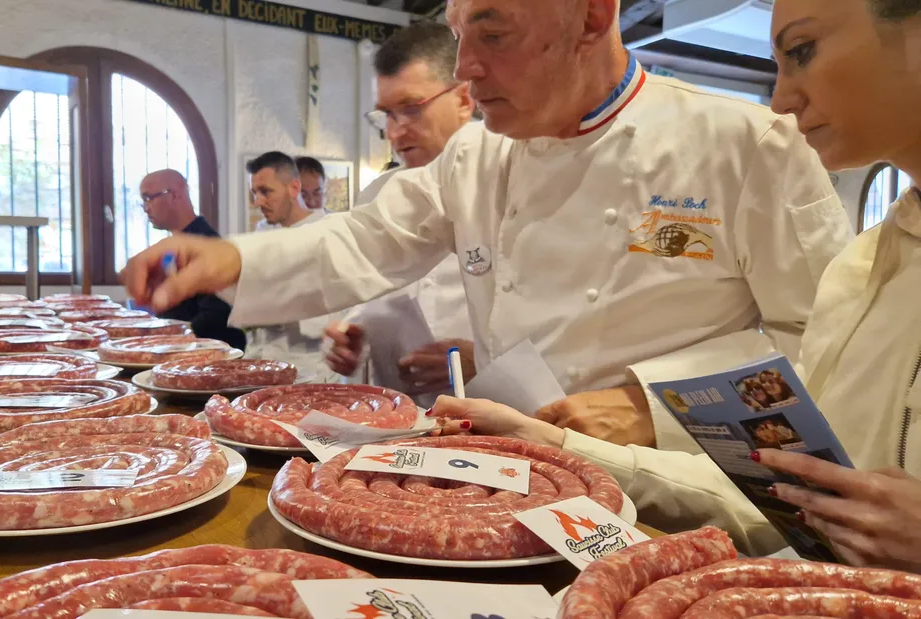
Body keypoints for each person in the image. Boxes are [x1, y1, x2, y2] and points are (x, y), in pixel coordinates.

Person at [121, 0, 854, 451]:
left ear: (592, 16)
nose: (465, 69)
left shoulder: (746, 145)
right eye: (458, 31)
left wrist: (658, 403)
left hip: (673, 483)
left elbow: (827, 341)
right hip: (511, 463)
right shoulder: (478, 153)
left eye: (493, 34)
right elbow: (368, 238)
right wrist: (228, 260)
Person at [431, 0, 921, 570]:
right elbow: (800, 500)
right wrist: (558, 449)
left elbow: (791, 358)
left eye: (803, 52)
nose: (783, 101)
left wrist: (651, 404)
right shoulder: (866, 269)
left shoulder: (742, 139)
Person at [323, 21, 477, 407]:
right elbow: (375, 288)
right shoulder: (376, 193)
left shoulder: (511, 180)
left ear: (464, 98)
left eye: (410, 109)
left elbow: (560, 323)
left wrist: (484, 358)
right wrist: (352, 331)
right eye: (387, 115)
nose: (395, 133)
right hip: (396, 413)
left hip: (489, 408)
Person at [241, 152, 339, 381]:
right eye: (255, 193)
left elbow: (331, 312)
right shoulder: (262, 231)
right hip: (260, 362)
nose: (258, 201)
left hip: (307, 370)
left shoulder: (327, 233)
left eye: (265, 191)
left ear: (294, 188)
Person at [136, 169, 245, 350]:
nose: (146, 208)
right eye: (143, 201)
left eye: (149, 198)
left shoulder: (208, 244)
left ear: (174, 195)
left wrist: (163, 341)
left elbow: (214, 316)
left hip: (207, 356)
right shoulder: (173, 245)